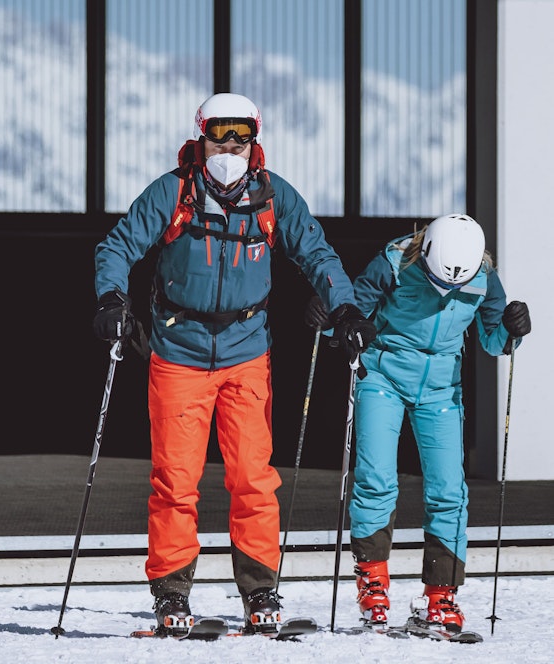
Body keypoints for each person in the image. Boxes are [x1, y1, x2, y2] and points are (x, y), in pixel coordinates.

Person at [92, 92, 375, 636]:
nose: (230, 146)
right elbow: (118, 247)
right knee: (176, 480)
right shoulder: (173, 191)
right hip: (180, 352)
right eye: (219, 134)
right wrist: (110, 298)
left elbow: (317, 253)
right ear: (200, 137)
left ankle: (260, 589)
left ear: (255, 138)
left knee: (253, 478)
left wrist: (346, 307)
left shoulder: (272, 196)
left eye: (240, 135)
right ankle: (171, 594)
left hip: (247, 352)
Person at [307, 213, 531, 633]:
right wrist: (329, 323)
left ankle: (441, 595)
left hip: (441, 387)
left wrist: (512, 329)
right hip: (383, 376)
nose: (446, 293)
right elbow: (352, 318)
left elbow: (493, 338)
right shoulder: (393, 262)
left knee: (449, 490)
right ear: (425, 255)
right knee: (376, 479)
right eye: (437, 283)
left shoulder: (483, 278)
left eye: (454, 289)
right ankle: (372, 582)